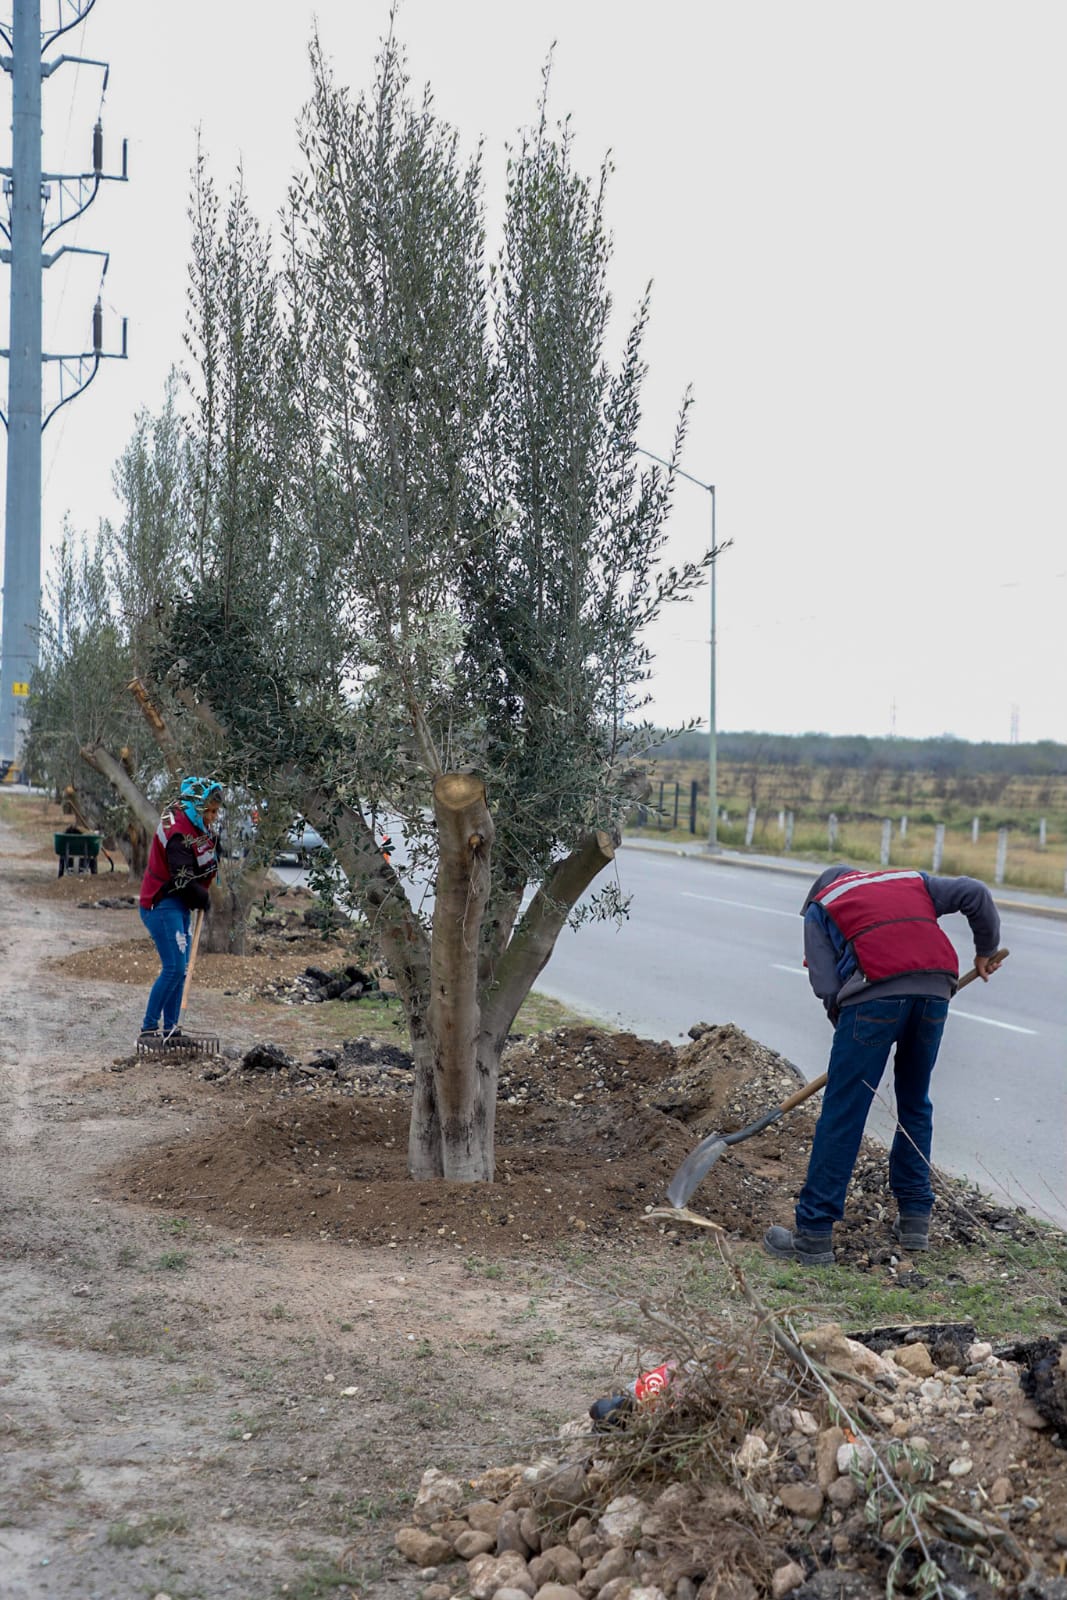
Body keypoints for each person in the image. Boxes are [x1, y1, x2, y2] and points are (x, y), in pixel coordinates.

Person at [763, 864, 1004, 1266]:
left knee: (844, 1111)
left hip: (873, 997)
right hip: (934, 991)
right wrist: (985, 949)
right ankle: (915, 1219)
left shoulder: (821, 905)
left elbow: (826, 985)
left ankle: (814, 1234)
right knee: (914, 1101)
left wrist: (848, 1029)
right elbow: (974, 891)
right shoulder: (909, 880)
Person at [137, 777, 222, 1049]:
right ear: (196, 807)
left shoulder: (191, 823)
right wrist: (202, 898)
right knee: (174, 967)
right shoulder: (177, 833)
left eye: (216, 812)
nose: (212, 817)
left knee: (181, 969)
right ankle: (149, 1030)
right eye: (209, 811)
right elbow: (182, 879)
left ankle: (171, 1030)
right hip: (161, 903)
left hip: (177, 904)